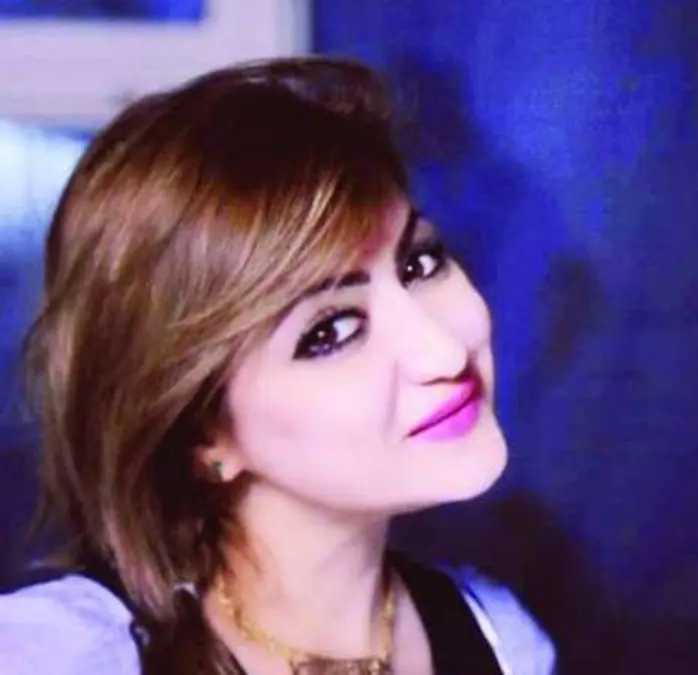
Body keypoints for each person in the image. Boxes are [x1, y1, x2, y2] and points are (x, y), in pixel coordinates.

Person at [0, 56, 556, 675]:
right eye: (331, 331)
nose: (444, 352)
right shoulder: (59, 657)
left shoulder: (502, 644)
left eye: (418, 265)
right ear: (204, 436)